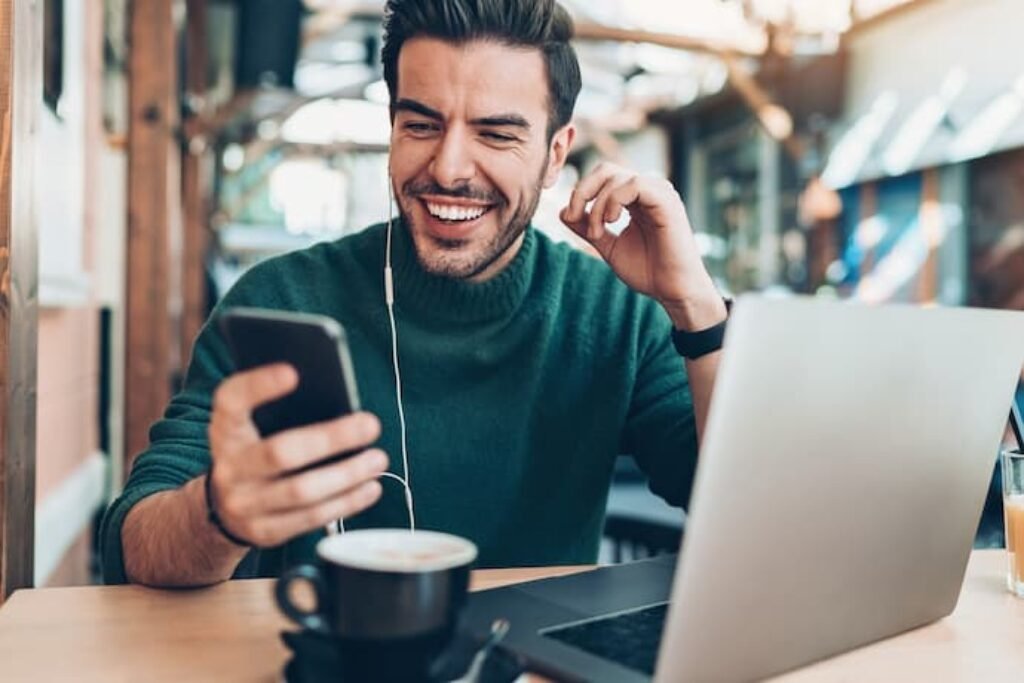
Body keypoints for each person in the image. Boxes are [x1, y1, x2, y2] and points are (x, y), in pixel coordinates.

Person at [99, 0, 728, 587]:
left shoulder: (616, 314)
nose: (450, 168)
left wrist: (695, 307)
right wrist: (219, 512)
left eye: (497, 134)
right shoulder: (281, 297)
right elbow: (132, 546)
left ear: (554, 153)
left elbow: (736, 500)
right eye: (422, 124)